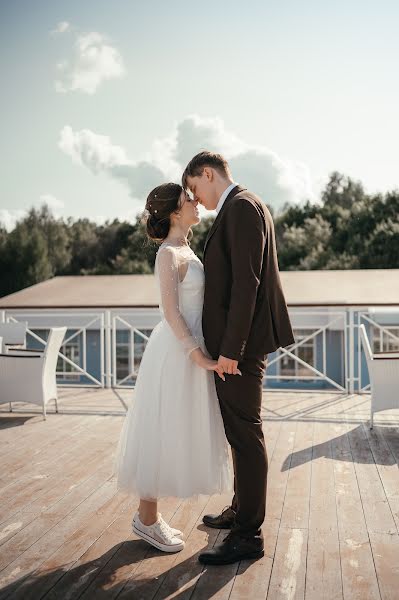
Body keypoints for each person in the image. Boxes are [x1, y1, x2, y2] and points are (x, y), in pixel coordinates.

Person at [182, 151, 295, 565]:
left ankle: (249, 535)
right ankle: (240, 511)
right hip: (236, 350)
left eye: (194, 188)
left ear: (207, 174)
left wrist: (231, 350)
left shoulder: (243, 208)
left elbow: (247, 285)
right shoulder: (239, 207)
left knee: (246, 437)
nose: (196, 197)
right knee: (239, 436)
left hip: (239, 353)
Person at [114, 182, 233, 554]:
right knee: (161, 429)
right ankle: (146, 520)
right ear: (174, 213)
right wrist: (196, 354)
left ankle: (147, 517)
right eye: (189, 200)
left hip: (192, 348)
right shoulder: (168, 253)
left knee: (177, 429)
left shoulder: (186, 248)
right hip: (178, 352)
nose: (197, 203)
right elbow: (170, 311)